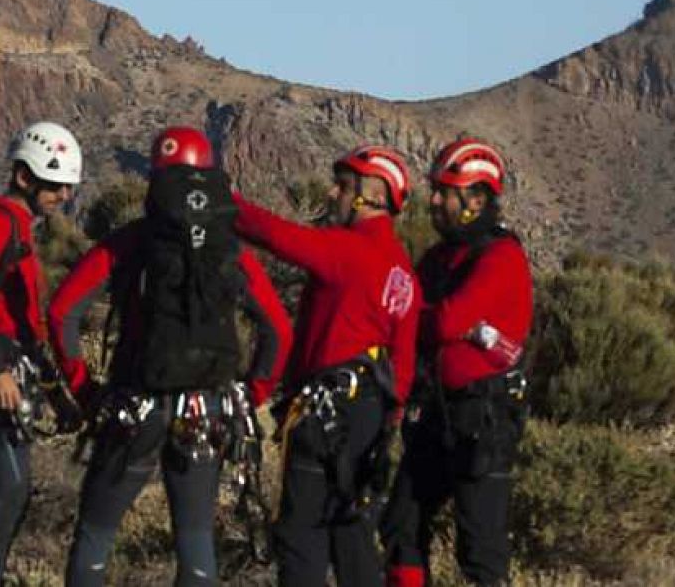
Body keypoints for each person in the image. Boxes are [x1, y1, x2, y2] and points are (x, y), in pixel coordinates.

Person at [48, 126, 293, 587]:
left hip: (132, 407)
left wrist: (84, 388)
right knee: (196, 540)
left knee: (96, 535)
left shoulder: (129, 241)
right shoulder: (230, 249)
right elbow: (278, 329)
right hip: (206, 411)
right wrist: (252, 392)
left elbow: (63, 310)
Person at [233, 145, 421, 587]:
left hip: (325, 413)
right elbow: (405, 362)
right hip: (369, 417)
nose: (333, 194)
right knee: (352, 531)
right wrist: (389, 423)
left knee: (302, 536)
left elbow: (277, 236)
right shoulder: (404, 273)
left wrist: (222, 201)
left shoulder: (348, 251)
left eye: (343, 187)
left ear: (369, 198)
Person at [381, 138, 533, 587]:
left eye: (444, 191)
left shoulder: (502, 257)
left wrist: (422, 318)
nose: (433, 201)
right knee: (400, 523)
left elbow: (444, 322)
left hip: (483, 418)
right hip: (437, 412)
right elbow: (411, 314)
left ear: (476, 199)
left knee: (480, 546)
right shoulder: (440, 257)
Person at [0, 121, 83, 586]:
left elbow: (29, 326)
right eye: (54, 186)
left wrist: (59, 394)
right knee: (8, 485)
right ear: (24, 178)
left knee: (13, 487)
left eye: (68, 187)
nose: (63, 196)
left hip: (10, 369)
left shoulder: (19, 230)